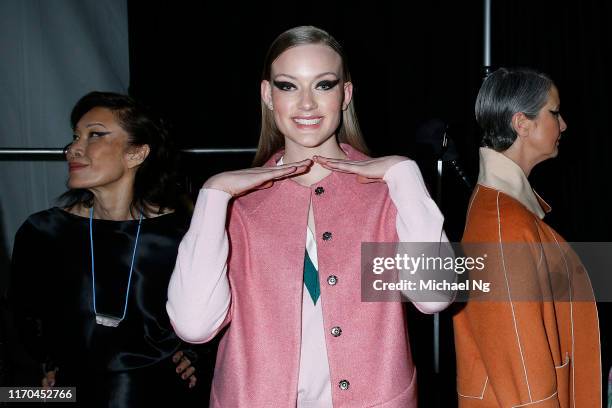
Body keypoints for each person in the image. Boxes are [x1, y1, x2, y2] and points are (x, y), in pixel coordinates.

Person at [167, 26, 453, 407]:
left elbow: (433, 296)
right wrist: (214, 193)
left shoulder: (387, 193)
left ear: (345, 94)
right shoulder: (238, 205)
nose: (306, 104)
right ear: (268, 95)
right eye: (288, 86)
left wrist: (404, 172)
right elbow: (194, 326)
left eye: (323, 85)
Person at [9, 91, 216, 407]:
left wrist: (196, 355)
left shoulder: (181, 233)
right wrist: (38, 382)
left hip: (161, 395)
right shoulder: (43, 233)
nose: (73, 149)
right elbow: (20, 327)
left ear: (136, 153)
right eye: (75, 137)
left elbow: (221, 316)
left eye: (94, 135)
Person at [453, 68, 601, 406]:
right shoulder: (502, 223)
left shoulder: (505, 209)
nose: (563, 125)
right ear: (522, 123)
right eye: (554, 112)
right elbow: (521, 367)